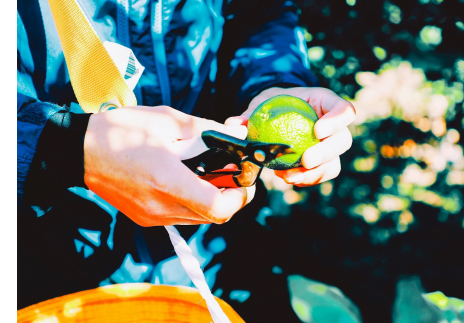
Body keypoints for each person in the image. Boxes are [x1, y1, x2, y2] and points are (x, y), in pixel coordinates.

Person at [17, 0, 355, 320]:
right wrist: (59, 148)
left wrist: (274, 86)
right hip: (43, 263)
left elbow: (257, 13)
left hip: (222, 257)